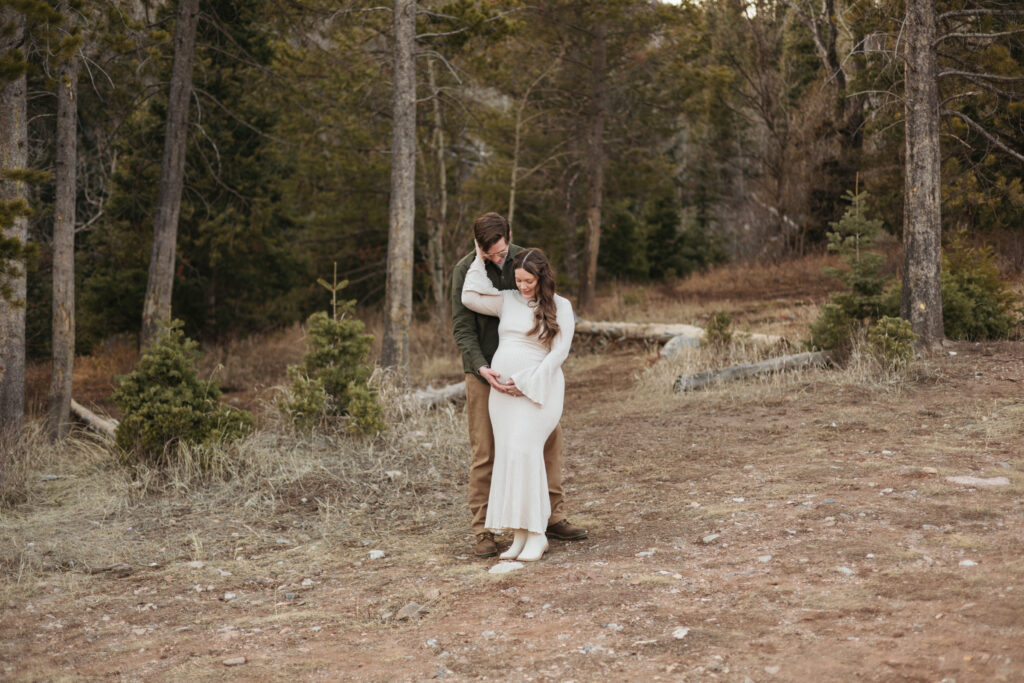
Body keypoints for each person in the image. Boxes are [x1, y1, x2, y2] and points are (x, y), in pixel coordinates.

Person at [451, 213, 586, 557]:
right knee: (489, 451)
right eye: (490, 253)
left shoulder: (526, 262)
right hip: (486, 374)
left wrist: (526, 381)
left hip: (534, 382)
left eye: (501, 252)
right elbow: (464, 324)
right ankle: (489, 530)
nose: (499, 259)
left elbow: (558, 347)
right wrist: (483, 368)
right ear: (479, 247)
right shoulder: (467, 270)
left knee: (544, 446)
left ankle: (548, 519)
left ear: (509, 237)